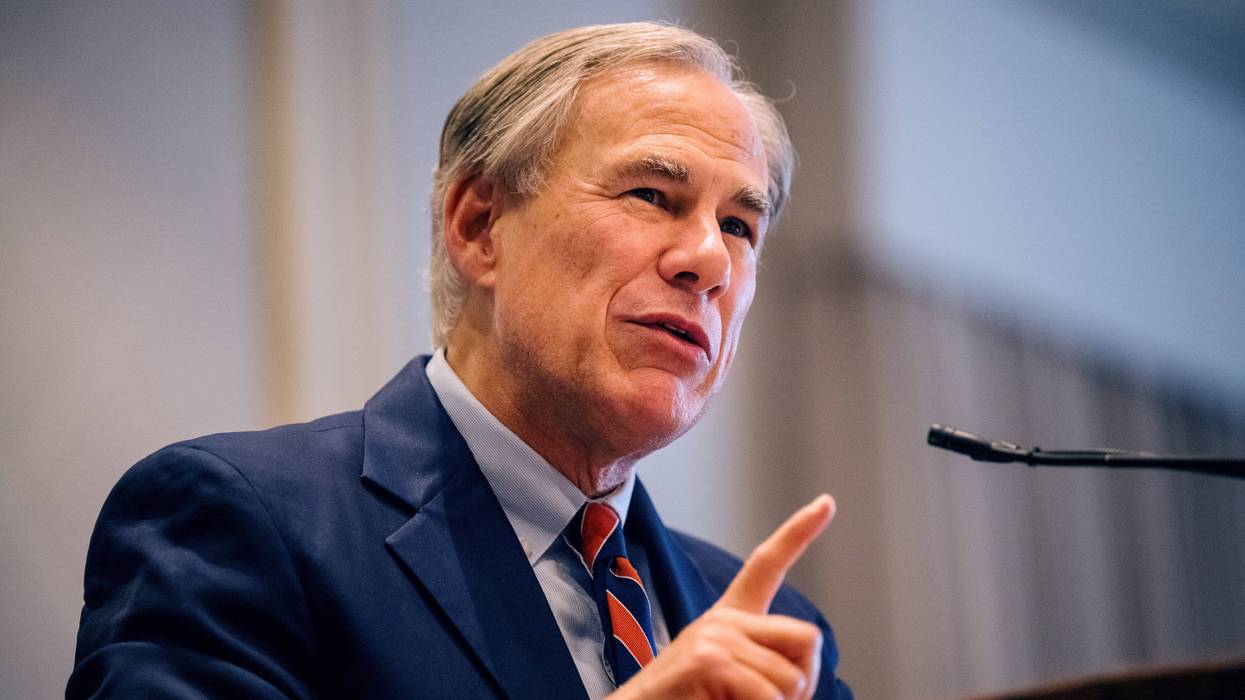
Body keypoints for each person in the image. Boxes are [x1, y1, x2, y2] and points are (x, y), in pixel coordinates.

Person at [69, 22, 851, 699]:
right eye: (651, 195)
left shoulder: (774, 630)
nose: (708, 260)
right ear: (479, 226)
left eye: (740, 226)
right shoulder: (239, 525)